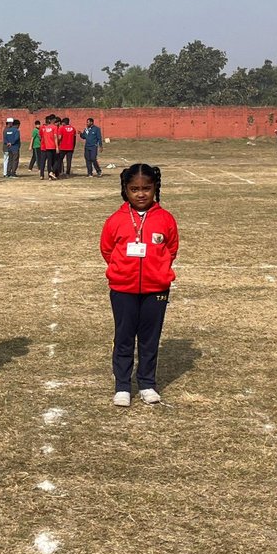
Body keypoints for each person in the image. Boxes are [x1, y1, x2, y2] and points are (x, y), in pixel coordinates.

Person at [100, 163, 178, 408]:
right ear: (125, 190)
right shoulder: (115, 220)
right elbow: (107, 250)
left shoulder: (165, 219)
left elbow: (172, 249)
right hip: (123, 289)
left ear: (155, 188)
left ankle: (147, 383)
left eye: (147, 188)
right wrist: (122, 270)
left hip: (156, 290)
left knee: (149, 339)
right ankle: (122, 385)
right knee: (123, 337)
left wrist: (159, 269)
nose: (141, 194)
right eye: (135, 189)